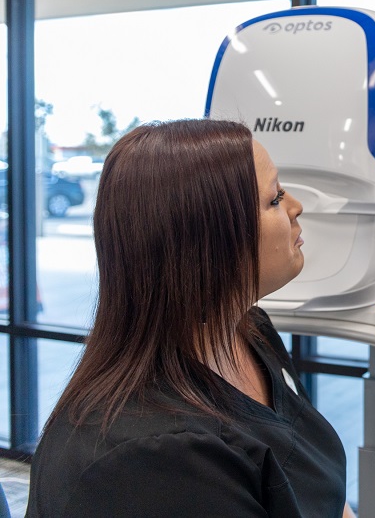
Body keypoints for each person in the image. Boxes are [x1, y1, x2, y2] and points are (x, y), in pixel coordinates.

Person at [27, 119, 355, 518]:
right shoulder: (152, 464)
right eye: (274, 199)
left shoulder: (251, 333)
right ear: (212, 241)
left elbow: (322, 492)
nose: (295, 207)